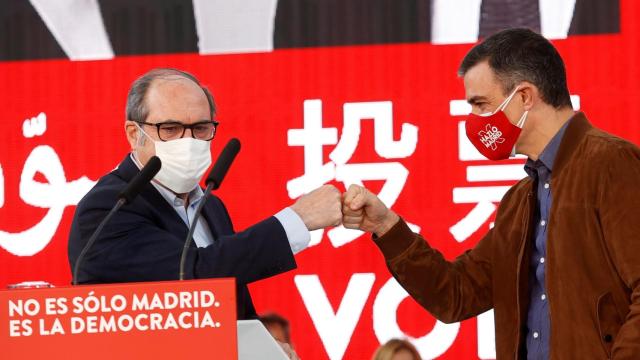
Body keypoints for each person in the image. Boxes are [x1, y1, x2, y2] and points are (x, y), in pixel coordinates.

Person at [342, 28, 640, 359]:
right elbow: (456, 294)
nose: (474, 121)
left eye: (481, 104)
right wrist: (386, 225)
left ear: (525, 96)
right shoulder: (519, 202)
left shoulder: (611, 162)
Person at [68, 68, 342, 320]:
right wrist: (297, 219)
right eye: (170, 129)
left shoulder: (210, 206)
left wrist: (259, 347)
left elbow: (231, 300)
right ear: (133, 133)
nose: (188, 142)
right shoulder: (108, 208)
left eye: (200, 129)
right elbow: (193, 277)